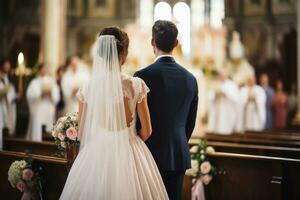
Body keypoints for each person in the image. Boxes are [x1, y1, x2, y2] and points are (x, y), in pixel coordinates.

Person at [60, 27, 168, 199]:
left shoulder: (87, 88)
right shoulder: (137, 85)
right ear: (124, 52)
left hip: (96, 152)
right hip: (131, 150)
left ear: (101, 54)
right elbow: (147, 131)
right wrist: (130, 139)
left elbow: (81, 132)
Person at [134, 20, 198, 200]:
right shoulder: (190, 79)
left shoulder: (142, 76)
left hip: (148, 153)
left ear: (152, 43)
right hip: (178, 153)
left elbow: (137, 121)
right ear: (176, 44)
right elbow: (190, 123)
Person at [26, 64, 60, 141]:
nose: (44, 71)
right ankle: (36, 141)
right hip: (39, 106)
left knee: (49, 126)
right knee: (38, 124)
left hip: (48, 105)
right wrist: (41, 93)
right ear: (39, 70)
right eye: (43, 69)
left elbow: (56, 96)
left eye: (46, 69)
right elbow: (30, 95)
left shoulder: (51, 81)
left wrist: (51, 94)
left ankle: (47, 141)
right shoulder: (35, 82)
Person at [207, 70, 239, 134]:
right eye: (221, 75)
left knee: (226, 130)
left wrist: (225, 94)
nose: (222, 77)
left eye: (223, 75)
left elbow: (236, 98)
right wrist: (215, 94)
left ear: (227, 76)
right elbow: (210, 96)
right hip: (218, 110)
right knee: (217, 130)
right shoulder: (216, 83)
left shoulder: (231, 85)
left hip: (227, 111)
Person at [0, 59, 17, 135]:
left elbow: (12, 92)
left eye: (8, 65)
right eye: (6, 64)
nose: (7, 67)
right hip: (2, 104)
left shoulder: (10, 78)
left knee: (7, 127)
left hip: (8, 105)